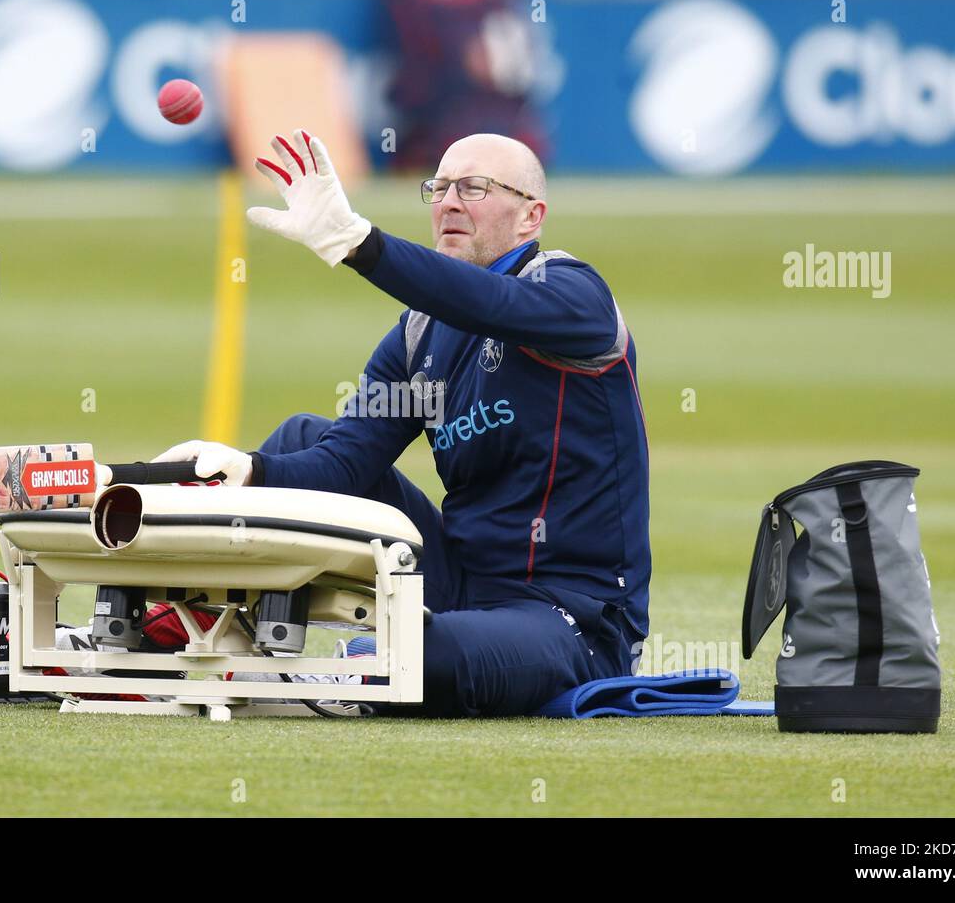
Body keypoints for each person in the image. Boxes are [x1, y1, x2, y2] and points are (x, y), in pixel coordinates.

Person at [155, 130, 650, 717]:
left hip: (570, 617)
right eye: (438, 188)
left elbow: (494, 304)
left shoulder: (574, 295)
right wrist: (249, 470)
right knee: (300, 438)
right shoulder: (418, 336)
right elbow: (343, 464)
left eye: (474, 187)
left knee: (416, 657)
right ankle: (198, 626)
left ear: (530, 216)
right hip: (460, 582)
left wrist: (357, 242)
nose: (449, 202)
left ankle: (360, 666)